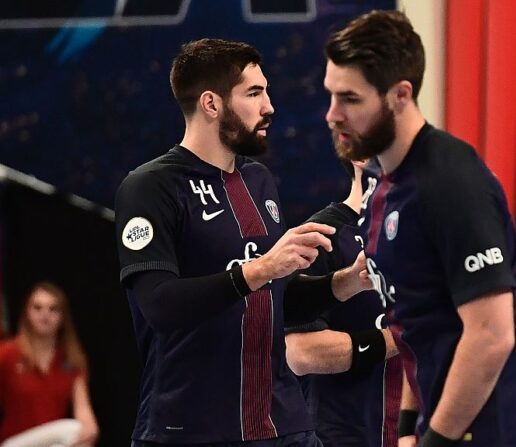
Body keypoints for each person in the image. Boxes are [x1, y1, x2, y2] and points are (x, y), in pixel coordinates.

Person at [323, 11, 516, 447]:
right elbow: (414, 320)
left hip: (505, 434)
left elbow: (491, 336)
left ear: (400, 94)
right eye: (331, 96)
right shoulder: (378, 185)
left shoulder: (451, 183)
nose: (332, 115)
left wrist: (437, 439)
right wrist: (408, 428)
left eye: (350, 99)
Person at [114, 38, 369, 446]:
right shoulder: (150, 186)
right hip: (190, 429)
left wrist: (345, 282)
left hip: (284, 424)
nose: (269, 106)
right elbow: (159, 304)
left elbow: (273, 299)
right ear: (211, 104)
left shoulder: (259, 180)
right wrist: (262, 268)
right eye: (254, 93)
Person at [285, 159, 402, 447]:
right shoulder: (321, 236)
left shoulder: (418, 234)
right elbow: (300, 353)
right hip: (342, 436)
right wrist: (401, 337)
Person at [0, 282, 99, 447]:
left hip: (52, 442)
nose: (45, 314)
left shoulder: (72, 361)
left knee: (72, 439)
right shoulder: (7, 354)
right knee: (72, 430)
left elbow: (87, 421)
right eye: (37, 308)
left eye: (53, 309)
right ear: (26, 312)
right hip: (14, 442)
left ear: (63, 317)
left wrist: (88, 432)